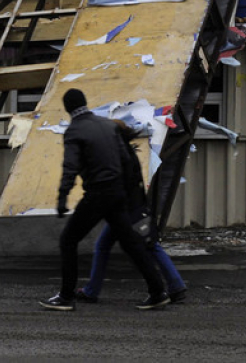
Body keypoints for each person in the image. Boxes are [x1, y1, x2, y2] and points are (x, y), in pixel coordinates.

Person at [39, 88, 169, 312]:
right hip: (117, 192)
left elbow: (70, 167)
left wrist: (62, 197)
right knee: (131, 244)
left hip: (97, 194)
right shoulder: (107, 125)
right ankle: (157, 291)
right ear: (85, 103)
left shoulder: (75, 131)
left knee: (68, 240)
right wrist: (130, 193)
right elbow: (125, 160)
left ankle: (66, 297)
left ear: (68, 108)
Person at [76, 120, 187, 304]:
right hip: (136, 208)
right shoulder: (128, 152)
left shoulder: (118, 156)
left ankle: (93, 291)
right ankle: (176, 285)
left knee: (122, 247)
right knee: (149, 245)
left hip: (124, 211)